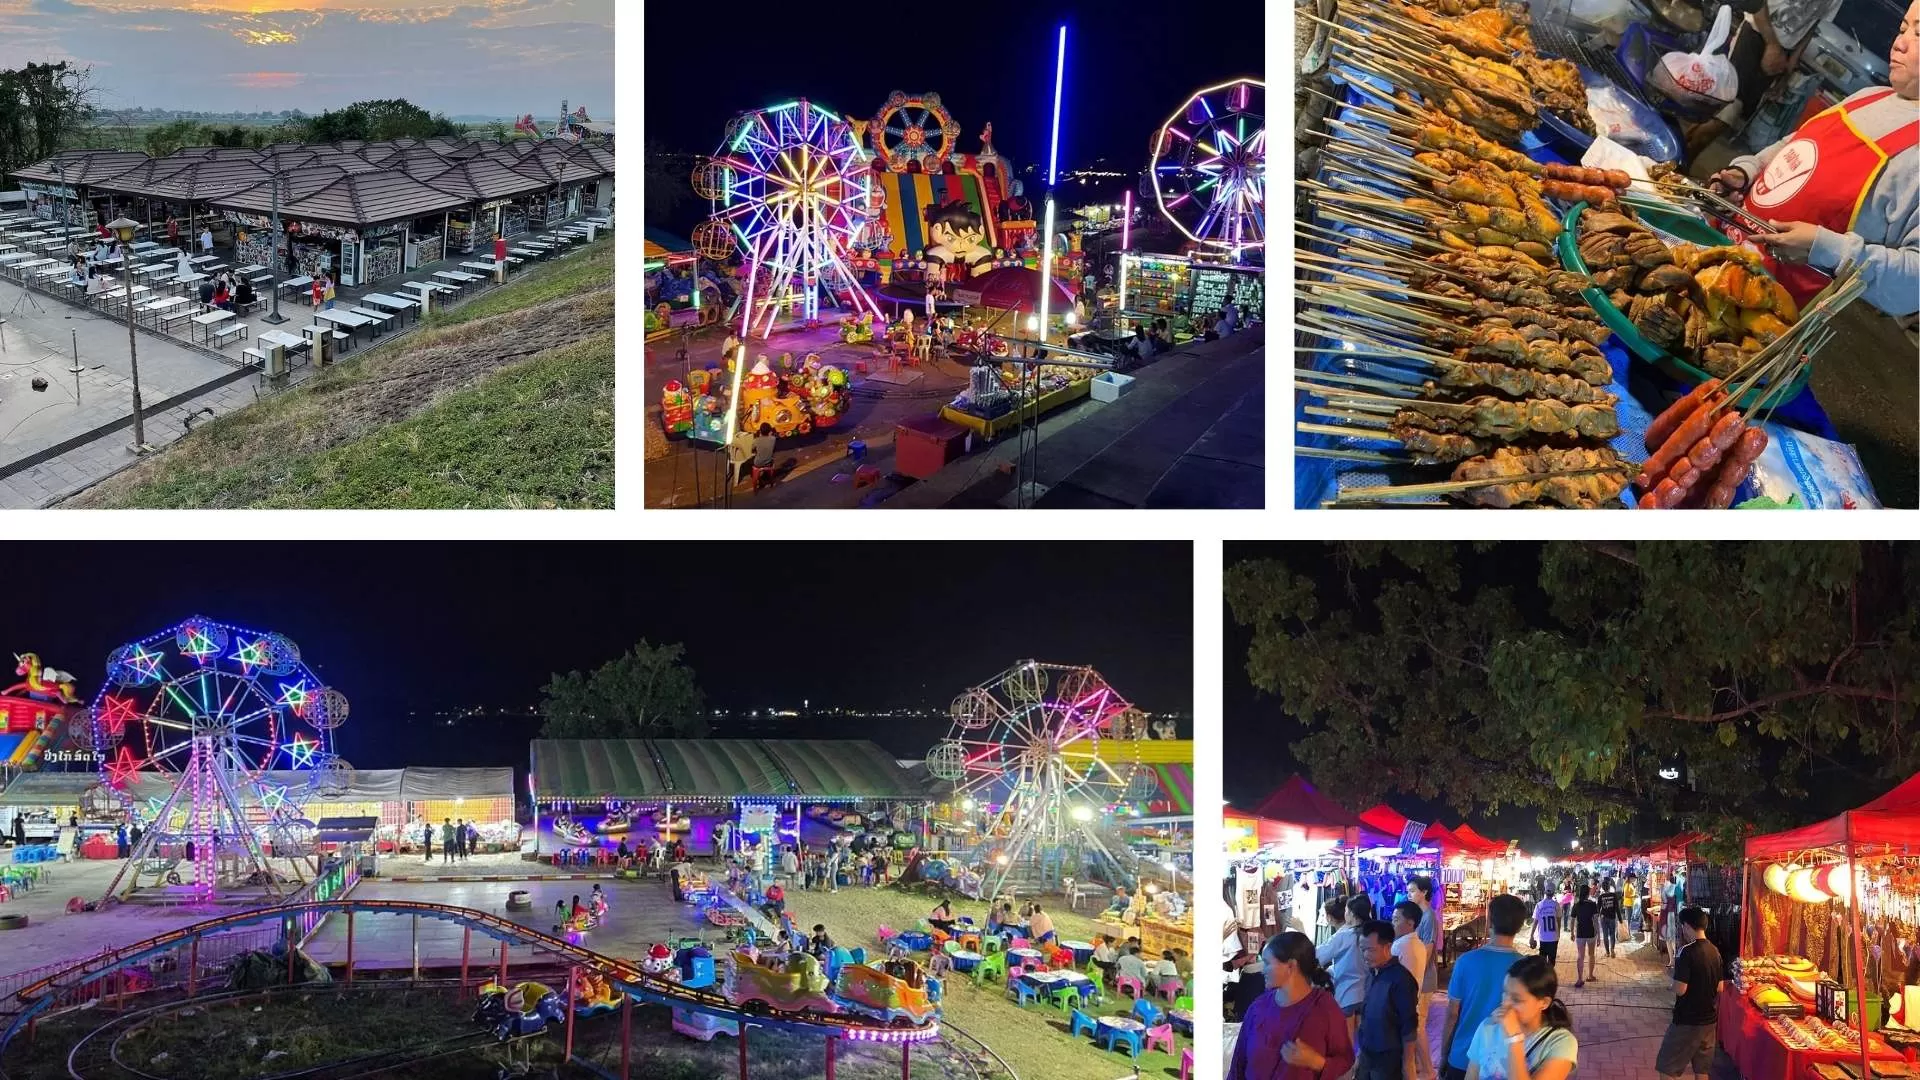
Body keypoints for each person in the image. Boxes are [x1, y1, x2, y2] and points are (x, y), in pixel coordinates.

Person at [1709, 1, 1919, 316]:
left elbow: (1913, 287)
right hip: (1717, 248)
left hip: (1764, 311)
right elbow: (1795, 144)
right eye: (1903, 28)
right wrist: (1747, 171)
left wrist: (1825, 249)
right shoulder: (1870, 97)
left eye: (1919, 35)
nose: (1899, 42)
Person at [1684, 0, 1846, 161]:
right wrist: (1772, 46)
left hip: (1782, 52)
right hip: (1755, 35)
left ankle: (1682, 157)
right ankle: (1682, 160)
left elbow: (1810, 29)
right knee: (1726, 111)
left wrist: (1788, 70)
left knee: (1729, 114)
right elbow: (1757, 5)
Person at [1226, 931, 1356, 1080]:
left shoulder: (1324, 1009)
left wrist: (1317, 1062)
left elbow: (1345, 1060)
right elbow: (1238, 1063)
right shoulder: (1258, 1007)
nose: (1263, 970)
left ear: (1290, 966)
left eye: (1268, 963)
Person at [1442, 894, 1529, 1080]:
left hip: (1461, 1057)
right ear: (1520, 925)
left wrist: (1443, 1054)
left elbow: (1452, 1015)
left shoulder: (1465, 962)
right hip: (1503, 1062)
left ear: (1489, 920)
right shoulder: (1525, 968)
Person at [1461, 955, 1578, 1080]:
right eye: (1505, 992)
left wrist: (1514, 1038)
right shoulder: (1488, 1027)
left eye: (1516, 999)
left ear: (1544, 1002)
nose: (1506, 1003)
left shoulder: (1561, 1042)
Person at [1657, 907, 1724, 1080]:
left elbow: (1680, 989)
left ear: (1687, 926)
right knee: (1702, 1071)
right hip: (1709, 1021)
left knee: (1667, 1068)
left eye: (1682, 927)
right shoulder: (1715, 952)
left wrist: (1671, 984)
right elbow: (1720, 987)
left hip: (1687, 1021)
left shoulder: (1686, 952)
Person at [1356, 919, 1422, 1080]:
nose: (1365, 955)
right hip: (1367, 1055)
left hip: (1388, 1060)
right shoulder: (1373, 974)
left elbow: (1409, 1026)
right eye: (1362, 949)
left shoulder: (1401, 980)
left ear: (1387, 947)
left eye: (1370, 950)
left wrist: (1408, 1064)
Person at [1318, 896, 1372, 1046]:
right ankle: (1361, 1067)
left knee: (1346, 1043)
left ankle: (1350, 1068)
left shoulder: (1343, 936)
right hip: (1367, 991)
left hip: (1347, 993)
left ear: (1352, 914)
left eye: (1347, 911)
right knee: (1364, 1041)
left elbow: (1319, 956)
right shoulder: (1371, 932)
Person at [1410, 876, 1442, 1080]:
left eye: (1412, 890)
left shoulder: (1429, 916)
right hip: (1417, 975)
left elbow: (1428, 949)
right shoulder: (1419, 914)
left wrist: (1417, 976)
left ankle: (1427, 1068)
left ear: (1423, 892)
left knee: (1418, 1024)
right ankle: (1418, 1065)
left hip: (1424, 976)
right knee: (1415, 1023)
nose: (1409, 894)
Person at [1570, 884, 1600, 988]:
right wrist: (1599, 935)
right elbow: (1596, 921)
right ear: (1588, 893)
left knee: (1580, 956)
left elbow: (1572, 920)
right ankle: (1590, 976)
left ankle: (1579, 978)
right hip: (1591, 932)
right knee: (1591, 954)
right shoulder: (1592, 904)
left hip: (1580, 933)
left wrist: (1572, 933)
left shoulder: (1576, 905)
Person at [1530, 889, 1561, 967]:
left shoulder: (1539, 905)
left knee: (1542, 960)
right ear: (1553, 893)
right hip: (1553, 937)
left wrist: (1531, 935)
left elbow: (1535, 922)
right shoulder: (1556, 905)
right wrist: (1558, 933)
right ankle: (1550, 977)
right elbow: (1559, 921)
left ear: (1545, 893)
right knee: (1551, 961)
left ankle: (1543, 977)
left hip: (1543, 937)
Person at [1597, 878, 1621, 961]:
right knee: (1612, 934)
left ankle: (1607, 952)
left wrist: (1597, 917)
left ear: (1603, 888)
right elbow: (1617, 908)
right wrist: (1620, 919)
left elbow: (1597, 909)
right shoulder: (1614, 895)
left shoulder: (1601, 897)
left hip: (1604, 918)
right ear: (1609, 887)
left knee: (1605, 935)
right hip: (1612, 917)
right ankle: (1612, 950)